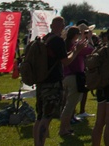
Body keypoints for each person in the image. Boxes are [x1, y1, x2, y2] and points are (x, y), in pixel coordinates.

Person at [34, 16, 68, 146]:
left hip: (42, 81)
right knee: (46, 117)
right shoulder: (58, 41)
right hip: (52, 82)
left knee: (40, 116)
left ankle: (37, 143)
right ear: (62, 26)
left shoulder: (45, 38)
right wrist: (76, 52)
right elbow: (66, 61)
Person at [58, 26, 92, 137]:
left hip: (66, 76)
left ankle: (66, 126)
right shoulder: (76, 46)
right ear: (76, 35)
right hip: (75, 77)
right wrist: (88, 38)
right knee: (70, 105)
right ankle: (63, 129)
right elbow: (91, 50)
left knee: (68, 104)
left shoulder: (65, 45)